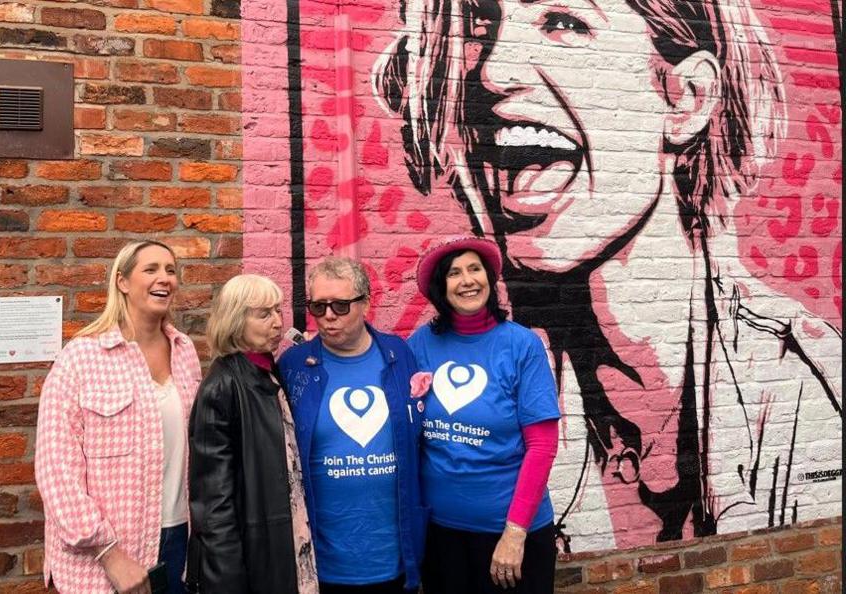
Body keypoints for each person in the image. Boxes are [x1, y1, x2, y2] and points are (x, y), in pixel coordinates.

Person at [376, 0, 841, 547]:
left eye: (564, 23)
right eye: (479, 28)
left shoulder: (802, 382)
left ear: (685, 98)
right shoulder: (484, 366)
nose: (493, 71)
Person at [36, 240, 202, 594]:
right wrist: (111, 555)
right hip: (105, 556)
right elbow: (56, 472)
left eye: (171, 270)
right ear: (123, 282)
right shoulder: (81, 358)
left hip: (180, 542)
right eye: (151, 269)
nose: (165, 278)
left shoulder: (185, 352)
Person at [407, 236, 559, 594]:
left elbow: (542, 445)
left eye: (475, 269)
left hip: (509, 536)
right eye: (454, 273)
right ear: (440, 287)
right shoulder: (421, 344)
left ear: (490, 280)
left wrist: (515, 533)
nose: (467, 280)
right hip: (442, 536)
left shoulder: (522, 345)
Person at [278, 257, 426, 594]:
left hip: (392, 556)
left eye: (341, 306)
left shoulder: (398, 355)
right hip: (323, 562)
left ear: (366, 303)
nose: (328, 316)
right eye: (318, 306)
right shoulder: (294, 365)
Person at [185, 274, 318, 594]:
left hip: (286, 546)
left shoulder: (268, 371)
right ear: (235, 321)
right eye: (263, 314)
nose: (277, 322)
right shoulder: (222, 386)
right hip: (253, 561)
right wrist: (227, 580)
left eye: (277, 311)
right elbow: (213, 504)